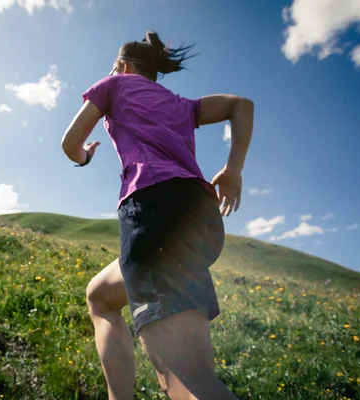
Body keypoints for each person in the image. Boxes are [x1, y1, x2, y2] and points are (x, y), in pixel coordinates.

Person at [61, 30, 253, 400]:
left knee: (186, 383)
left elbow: (70, 143)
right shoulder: (182, 105)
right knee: (100, 296)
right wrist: (233, 170)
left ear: (123, 66)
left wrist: (84, 156)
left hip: (154, 209)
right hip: (199, 217)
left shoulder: (114, 85)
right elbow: (241, 104)